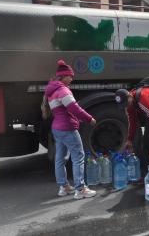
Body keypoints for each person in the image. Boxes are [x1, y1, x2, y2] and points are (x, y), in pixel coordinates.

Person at [45, 59, 97, 199]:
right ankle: (80, 189)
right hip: (67, 128)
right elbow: (74, 108)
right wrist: (89, 119)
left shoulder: (52, 90)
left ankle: (64, 187)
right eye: (70, 76)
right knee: (78, 157)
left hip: (57, 128)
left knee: (60, 158)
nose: (72, 79)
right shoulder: (62, 90)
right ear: (63, 76)